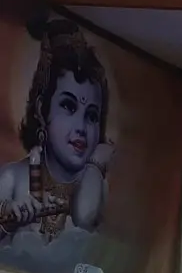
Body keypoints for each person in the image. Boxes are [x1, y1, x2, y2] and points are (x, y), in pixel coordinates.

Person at [0, 17, 112, 246]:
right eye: (69, 107)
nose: (81, 127)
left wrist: (95, 165)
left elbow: (85, 219)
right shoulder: (11, 178)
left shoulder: (95, 186)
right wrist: (8, 221)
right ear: (43, 109)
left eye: (92, 116)